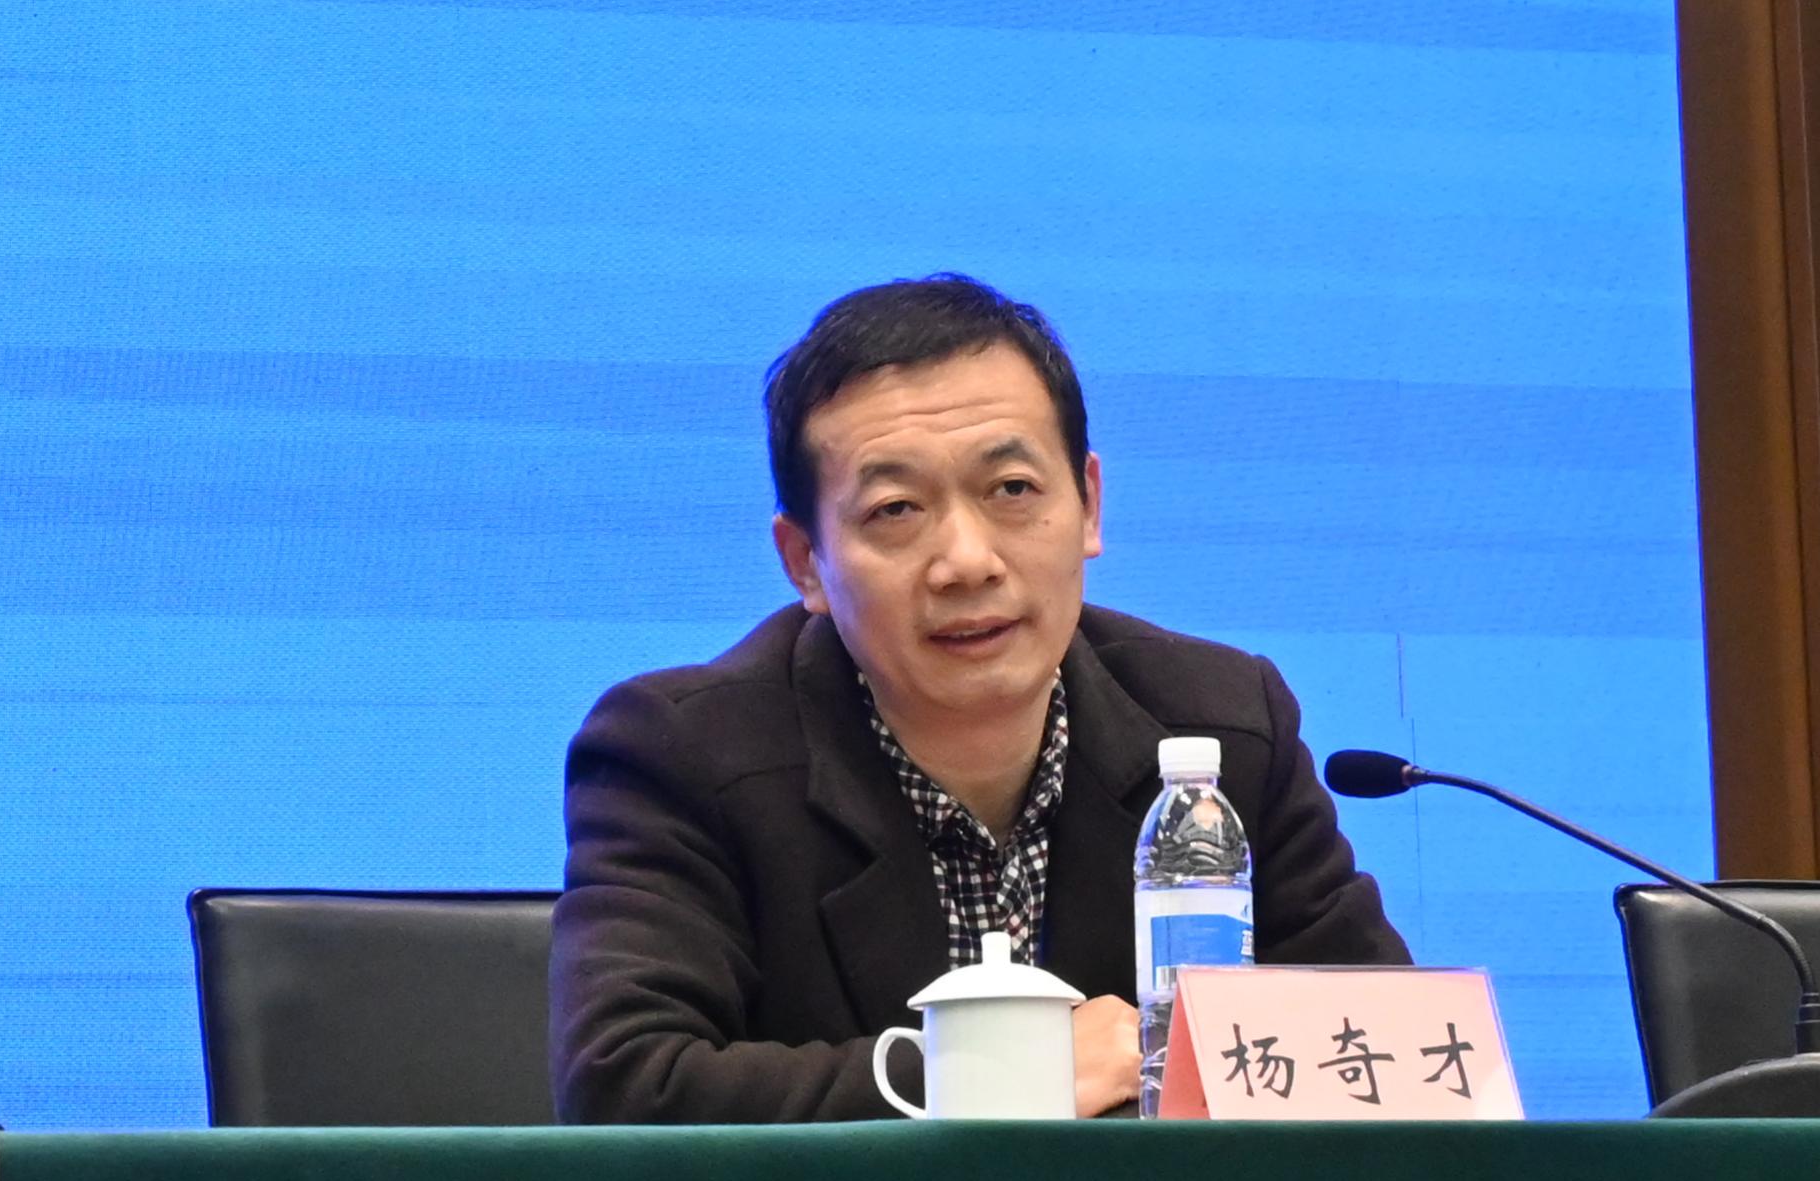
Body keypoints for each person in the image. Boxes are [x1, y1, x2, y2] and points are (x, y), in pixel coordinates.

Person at [550, 274, 1409, 1123]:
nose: (966, 560)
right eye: (895, 509)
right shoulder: (682, 754)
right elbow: (627, 1084)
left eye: (1011, 490)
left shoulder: (1223, 726)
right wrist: (999, 1072)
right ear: (805, 562)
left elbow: (1394, 1064)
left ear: (1088, 506)